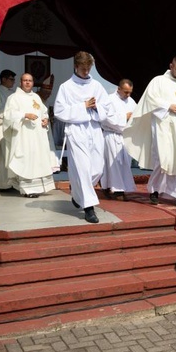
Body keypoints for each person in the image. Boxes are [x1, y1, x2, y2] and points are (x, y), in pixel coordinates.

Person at [124, 55, 176, 207]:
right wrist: (168, 106)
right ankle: (154, 191)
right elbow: (150, 100)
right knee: (164, 159)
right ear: (171, 66)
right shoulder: (158, 81)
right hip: (164, 127)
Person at [54, 51, 111, 224]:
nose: (86, 72)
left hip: (94, 129)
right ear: (76, 66)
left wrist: (95, 107)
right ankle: (89, 208)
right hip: (76, 130)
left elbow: (107, 108)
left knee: (97, 169)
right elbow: (59, 111)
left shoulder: (97, 86)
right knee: (83, 169)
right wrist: (83, 106)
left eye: (88, 68)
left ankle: (78, 192)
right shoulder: (66, 87)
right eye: (83, 68)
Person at [2, 73, 56, 198]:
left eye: (30, 81)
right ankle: (28, 190)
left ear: (32, 83)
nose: (27, 83)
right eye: (25, 80)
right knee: (26, 160)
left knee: (37, 159)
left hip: (37, 136)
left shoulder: (36, 97)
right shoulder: (13, 98)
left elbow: (44, 112)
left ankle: (38, 188)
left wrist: (45, 119)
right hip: (23, 136)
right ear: (20, 82)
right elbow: (8, 115)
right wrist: (24, 115)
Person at [100, 79, 137, 200]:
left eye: (130, 92)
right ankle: (116, 189)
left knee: (124, 163)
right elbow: (106, 118)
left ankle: (122, 188)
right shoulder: (109, 100)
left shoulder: (131, 101)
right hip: (112, 135)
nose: (128, 95)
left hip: (125, 137)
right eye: (126, 92)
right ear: (119, 89)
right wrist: (124, 117)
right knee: (113, 163)